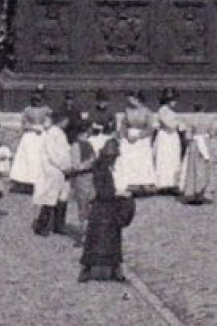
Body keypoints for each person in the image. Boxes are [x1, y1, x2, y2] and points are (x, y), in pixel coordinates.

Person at [79, 139, 132, 282]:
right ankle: (90, 268)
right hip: (103, 209)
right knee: (100, 240)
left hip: (108, 209)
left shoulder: (104, 168)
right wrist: (119, 194)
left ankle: (111, 268)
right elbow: (104, 192)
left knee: (108, 240)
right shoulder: (101, 170)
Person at [31, 110, 74, 236]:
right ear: (63, 121)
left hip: (62, 170)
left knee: (62, 198)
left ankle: (59, 224)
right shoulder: (53, 134)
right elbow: (54, 154)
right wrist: (64, 166)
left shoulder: (60, 133)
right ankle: (42, 225)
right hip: (54, 170)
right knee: (50, 198)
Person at [114, 92, 158, 196]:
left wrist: (139, 136)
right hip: (130, 139)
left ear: (138, 99)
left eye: (132, 99)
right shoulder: (127, 111)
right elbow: (123, 125)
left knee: (142, 161)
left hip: (142, 139)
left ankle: (143, 185)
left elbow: (150, 128)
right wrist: (125, 134)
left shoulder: (147, 112)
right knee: (130, 160)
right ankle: (132, 185)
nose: (130, 102)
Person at [8, 89, 50, 189]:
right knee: (28, 157)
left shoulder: (46, 110)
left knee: (41, 157)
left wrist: (43, 127)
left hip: (41, 135)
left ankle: (40, 181)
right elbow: (24, 124)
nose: (37, 102)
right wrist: (33, 127)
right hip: (30, 136)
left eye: (39, 100)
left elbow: (48, 122)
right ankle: (26, 181)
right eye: (35, 100)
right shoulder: (27, 110)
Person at [152, 89, 184, 194]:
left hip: (172, 137)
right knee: (164, 159)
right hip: (165, 136)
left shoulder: (171, 112)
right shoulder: (163, 110)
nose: (175, 103)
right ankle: (163, 184)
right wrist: (178, 124)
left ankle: (173, 183)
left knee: (173, 159)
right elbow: (168, 124)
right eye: (173, 100)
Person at [178, 120, 213, 205]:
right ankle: (203, 192)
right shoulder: (208, 120)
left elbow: (188, 136)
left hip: (195, 146)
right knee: (204, 168)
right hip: (206, 143)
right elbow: (212, 133)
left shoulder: (191, 120)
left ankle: (194, 193)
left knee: (193, 169)